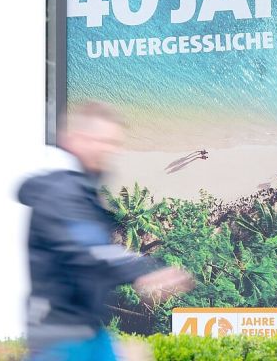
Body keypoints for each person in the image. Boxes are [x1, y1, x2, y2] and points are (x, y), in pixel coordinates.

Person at [18, 101, 194, 360]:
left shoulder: (81, 191)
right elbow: (88, 253)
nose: (108, 150)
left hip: (87, 331)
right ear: (74, 139)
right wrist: (144, 271)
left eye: (113, 143)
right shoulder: (60, 192)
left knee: (137, 355)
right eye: (100, 140)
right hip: (61, 338)